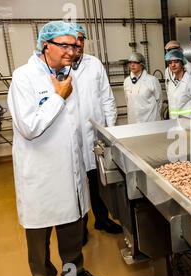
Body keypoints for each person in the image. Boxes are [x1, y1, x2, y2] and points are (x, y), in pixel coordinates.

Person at [7, 21, 104, 276]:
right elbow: (29, 128)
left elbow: (73, 126)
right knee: (39, 236)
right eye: (65, 44)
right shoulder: (24, 77)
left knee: (72, 230)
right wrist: (58, 98)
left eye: (75, 45)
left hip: (70, 169)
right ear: (45, 44)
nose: (72, 51)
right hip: (40, 173)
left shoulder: (65, 75)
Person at [71, 23, 122, 242]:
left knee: (98, 182)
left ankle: (101, 219)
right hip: (71, 138)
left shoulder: (94, 64)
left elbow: (107, 98)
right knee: (74, 184)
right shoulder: (57, 68)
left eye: (82, 39)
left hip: (95, 135)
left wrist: (108, 131)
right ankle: (78, 227)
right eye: (74, 39)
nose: (78, 43)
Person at [123, 52, 162, 124]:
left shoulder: (152, 80)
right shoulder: (126, 81)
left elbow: (159, 101)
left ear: (142, 64)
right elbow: (128, 101)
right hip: (133, 122)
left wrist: (155, 116)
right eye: (130, 63)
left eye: (135, 62)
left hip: (151, 121)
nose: (132, 65)